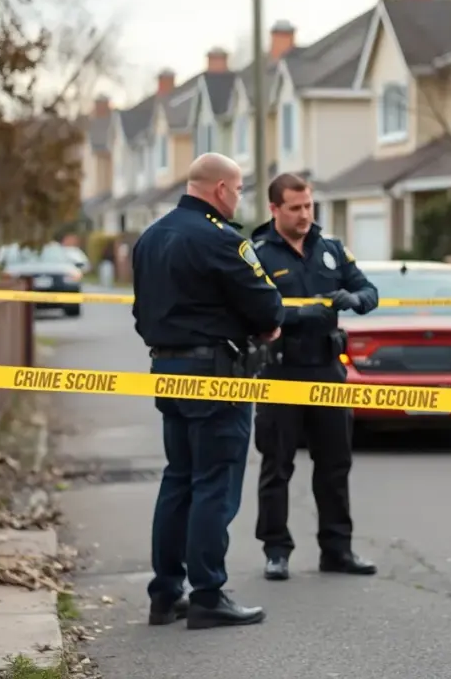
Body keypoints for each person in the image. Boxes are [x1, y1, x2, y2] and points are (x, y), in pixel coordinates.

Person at [132, 153, 285, 630]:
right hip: (217, 376)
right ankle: (207, 594)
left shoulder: (150, 237)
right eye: (238, 190)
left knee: (177, 479)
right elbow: (268, 307)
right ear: (221, 190)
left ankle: (165, 594)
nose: (238, 199)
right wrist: (266, 325)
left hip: (168, 370)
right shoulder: (222, 239)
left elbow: (142, 314)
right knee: (213, 484)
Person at [250, 172, 379, 581]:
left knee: (335, 462)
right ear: (274, 209)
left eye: (309, 206)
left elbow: (369, 292)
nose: (305, 214)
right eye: (295, 208)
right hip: (280, 369)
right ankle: (276, 550)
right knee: (277, 464)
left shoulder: (332, 250)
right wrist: (302, 313)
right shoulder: (257, 254)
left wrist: (354, 298)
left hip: (326, 370)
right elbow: (251, 310)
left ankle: (337, 549)